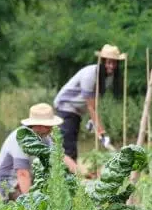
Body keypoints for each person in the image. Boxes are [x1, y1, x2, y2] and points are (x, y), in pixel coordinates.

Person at [53, 44, 124, 173]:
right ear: (102, 62)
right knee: (67, 148)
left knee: (72, 143)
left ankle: (71, 178)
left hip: (77, 112)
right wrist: (102, 132)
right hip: (66, 107)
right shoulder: (90, 74)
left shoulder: (108, 78)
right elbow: (90, 106)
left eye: (114, 63)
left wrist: (92, 121)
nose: (111, 66)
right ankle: (68, 179)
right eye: (109, 62)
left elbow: (94, 101)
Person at [0, 103, 63, 201]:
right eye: (49, 126)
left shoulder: (45, 137)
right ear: (38, 125)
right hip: (8, 182)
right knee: (29, 206)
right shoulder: (22, 137)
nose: (51, 129)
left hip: (29, 179)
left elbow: (55, 159)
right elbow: (22, 173)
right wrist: (30, 203)